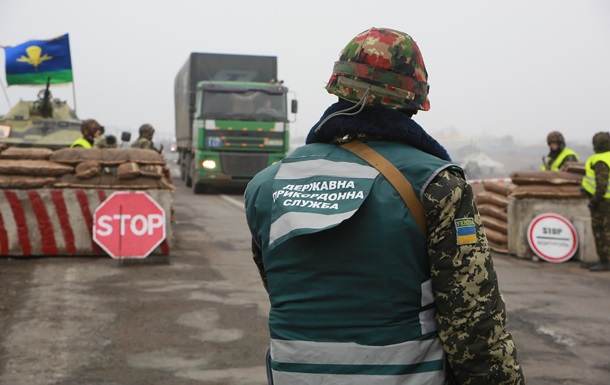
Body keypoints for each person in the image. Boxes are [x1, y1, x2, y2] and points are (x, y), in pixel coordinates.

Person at [244, 27, 524, 385]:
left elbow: (280, 285)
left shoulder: (266, 185)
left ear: (339, 86)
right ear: (413, 98)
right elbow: (472, 323)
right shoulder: (439, 185)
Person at [581, 131, 610, 272]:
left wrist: (594, 200)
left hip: (603, 203)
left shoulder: (600, 160)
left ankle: (605, 260)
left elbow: (602, 185)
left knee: (601, 231)